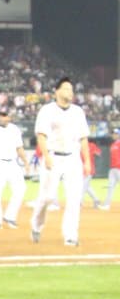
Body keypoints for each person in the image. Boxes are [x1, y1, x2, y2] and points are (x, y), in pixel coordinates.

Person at [30, 78, 90, 247]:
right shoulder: (47, 110)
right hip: (53, 156)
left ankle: (70, 235)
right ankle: (36, 225)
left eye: (71, 89)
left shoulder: (78, 112)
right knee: (47, 197)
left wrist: (87, 161)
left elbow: (83, 138)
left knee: (74, 198)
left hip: (72, 157)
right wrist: (47, 156)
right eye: (65, 89)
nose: (69, 92)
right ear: (56, 91)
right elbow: (41, 135)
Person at [101, 129, 120, 209]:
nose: (114, 135)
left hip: (119, 168)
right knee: (110, 187)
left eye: (116, 133)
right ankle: (106, 205)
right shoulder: (113, 144)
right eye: (113, 133)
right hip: (112, 169)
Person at [81, 139, 101, 209]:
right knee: (87, 187)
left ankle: (80, 202)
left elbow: (98, 153)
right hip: (82, 169)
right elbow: (98, 153)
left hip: (89, 169)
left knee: (83, 186)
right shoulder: (79, 145)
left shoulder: (91, 145)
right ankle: (96, 200)